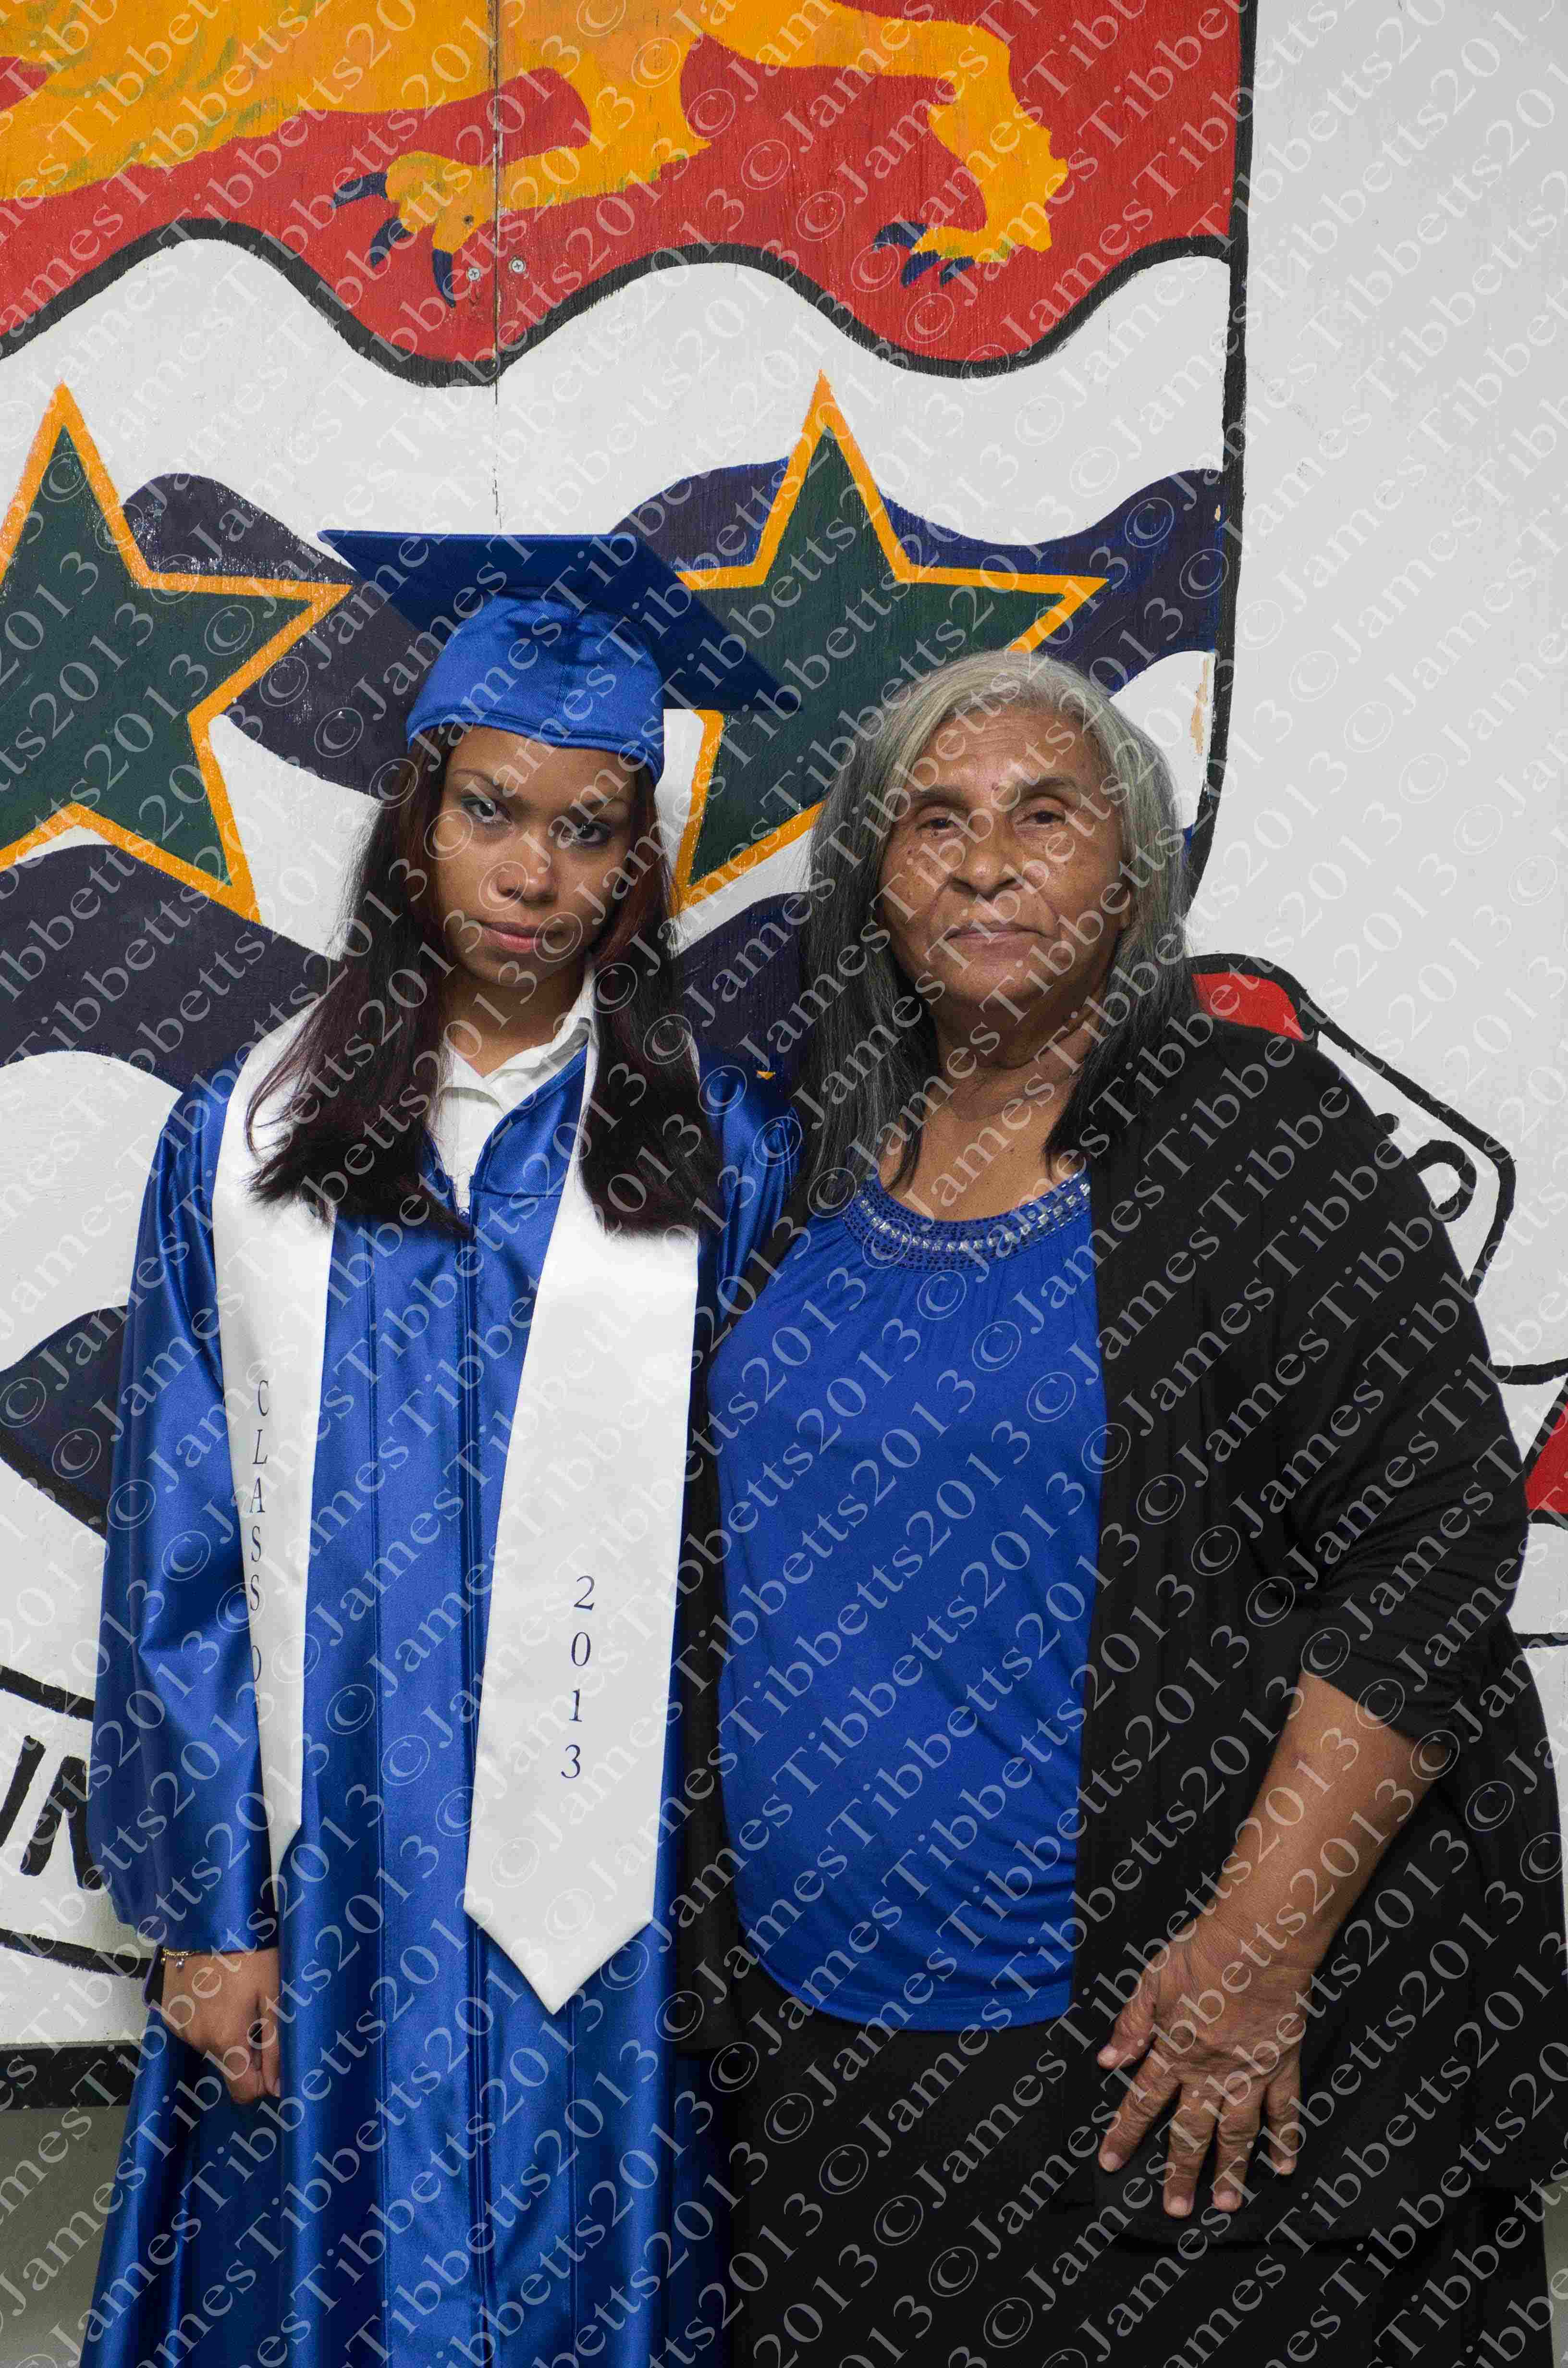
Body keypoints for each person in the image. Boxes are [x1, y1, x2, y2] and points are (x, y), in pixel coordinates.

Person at [673, 649, 1568, 2368]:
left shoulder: (1263, 1138)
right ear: (873, 882)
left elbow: (1434, 1542)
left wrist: (1256, 1951)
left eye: (1044, 816)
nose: (985, 863)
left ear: (1136, 880)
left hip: (1163, 2039)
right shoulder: (798, 1163)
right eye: (935, 821)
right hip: (823, 2058)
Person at [83, 532, 798, 2368]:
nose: (532, 872)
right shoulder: (242, 1145)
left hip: (612, 1909)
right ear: (416, 821)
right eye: (491, 811)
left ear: (637, 864)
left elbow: (770, 1571)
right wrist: (206, 1914)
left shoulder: (720, 1152)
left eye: (586, 829)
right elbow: (176, 1548)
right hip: (329, 1877)